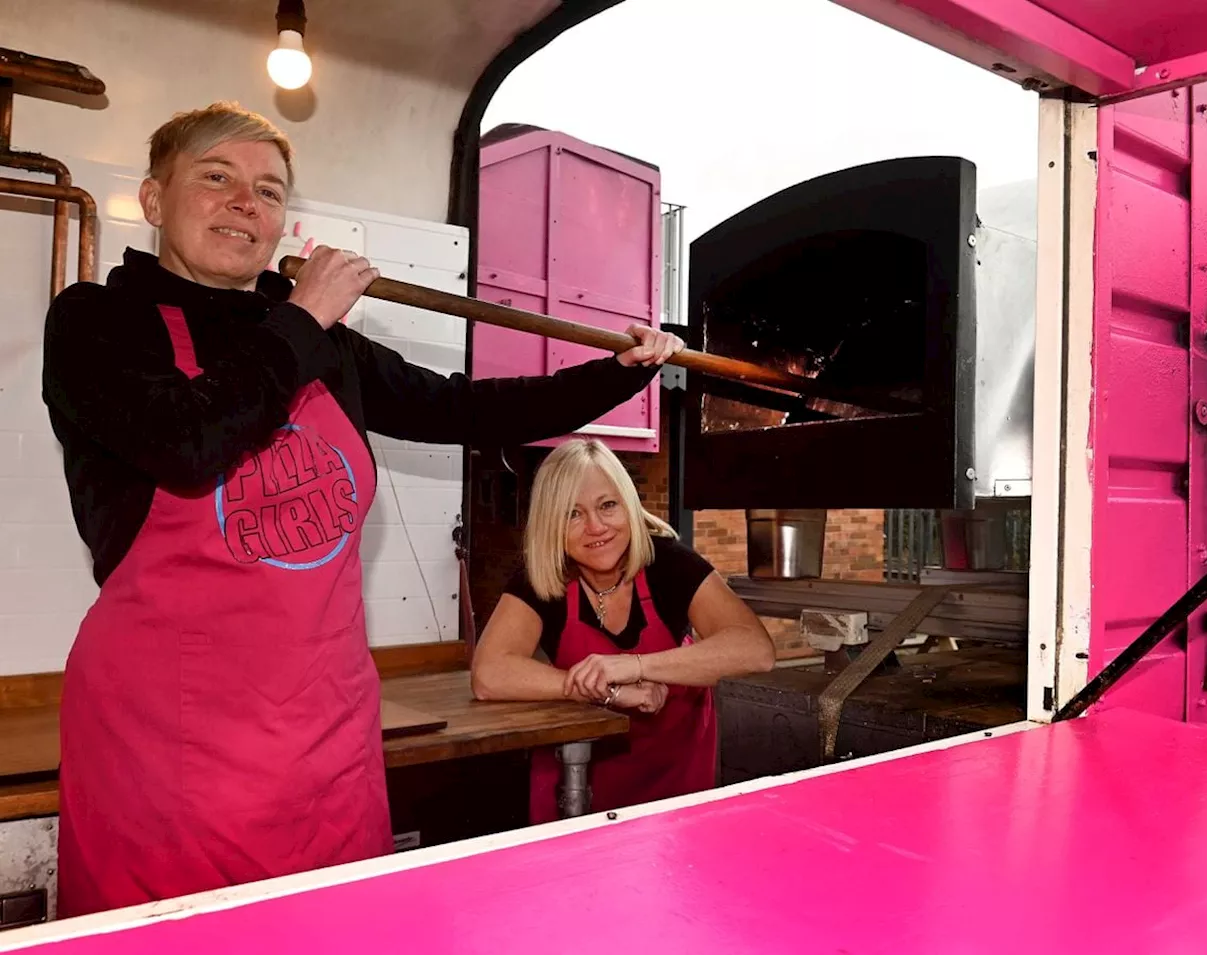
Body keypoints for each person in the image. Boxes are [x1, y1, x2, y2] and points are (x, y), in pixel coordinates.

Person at [40, 101, 685, 919]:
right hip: (166, 754)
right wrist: (304, 316)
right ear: (156, 199)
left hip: (325, 741)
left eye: (268, 191)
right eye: (216, 177)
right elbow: (188, 442)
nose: (247, 202)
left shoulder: (321, 345)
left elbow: (467, 410)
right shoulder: (99, 322)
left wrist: (616, 371)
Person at [471, 438, 775, 823]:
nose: (596, 527)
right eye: (572, 514)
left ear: (629, 505)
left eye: (607, 506)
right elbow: (489, 674)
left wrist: (632, 666)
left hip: (674, 794)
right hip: (573, 791)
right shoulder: (541, 578)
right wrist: (607, 689)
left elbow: (755, 650)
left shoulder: (669, 565)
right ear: (551, 524)